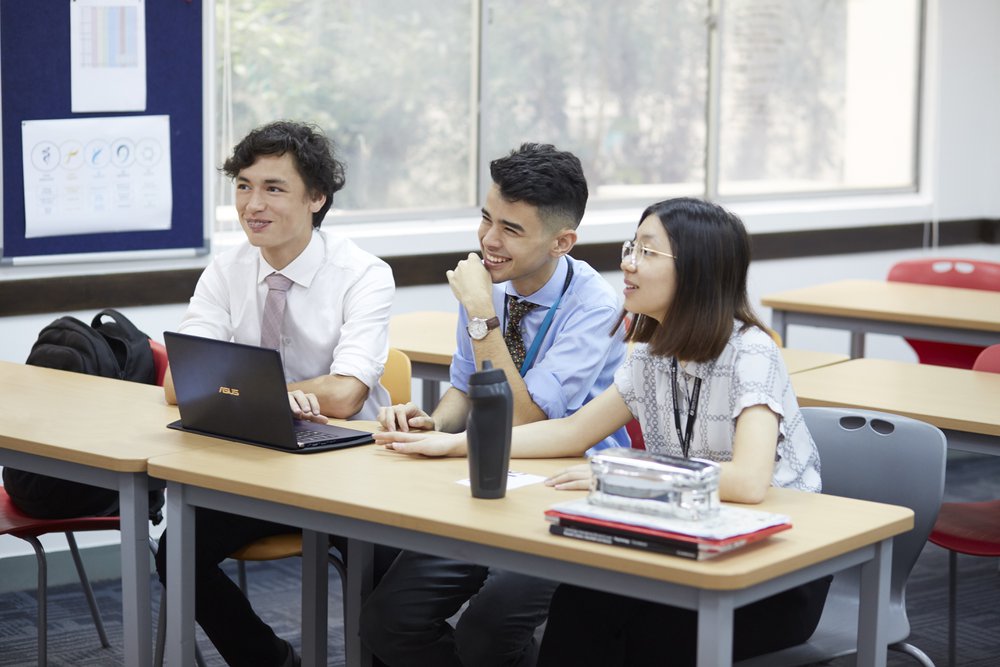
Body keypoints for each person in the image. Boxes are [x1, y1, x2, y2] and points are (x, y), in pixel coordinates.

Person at [378, 197, 829, 666]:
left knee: (631, 637)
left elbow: (749, 482)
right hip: (683, 541)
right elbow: (571, 433)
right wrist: (455, 443)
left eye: (647, 252)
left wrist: (619, 475)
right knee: (579, 609)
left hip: (772, 568)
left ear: (698, 270)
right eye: (631, 247)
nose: (628, 263)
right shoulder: (653, 355)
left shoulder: (750, 352)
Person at [359, 143, 629, 667]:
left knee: (487, 631)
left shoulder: (595, 306)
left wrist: (481, 312)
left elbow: (526, 421)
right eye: (487, 218)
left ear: (561, 242)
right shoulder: (490, 285)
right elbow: (466, 389)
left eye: (511, 229)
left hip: (564, 487)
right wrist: (432, 423)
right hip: (486, 476)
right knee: (388, 621)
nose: (488, 240)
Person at [156, 120, 394, 667]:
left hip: (347, 467)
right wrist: (275, 397)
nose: (252, 204)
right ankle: (270, 660)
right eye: (243, 186)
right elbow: (178, 382)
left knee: (390, 579)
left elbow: (346, 394)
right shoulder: (227, 269)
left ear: (316, 198)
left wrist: (256, 391)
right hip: (258, 463)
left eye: (273, 188)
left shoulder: (363, 274)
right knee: (177, 551)